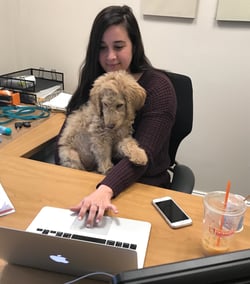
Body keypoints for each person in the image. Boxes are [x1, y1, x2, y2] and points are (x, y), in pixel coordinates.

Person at [55, 5, 177, 227]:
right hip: (91, 181)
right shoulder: (97, 82)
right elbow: (65, 137)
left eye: (118, 46)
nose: (110, 57)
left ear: (134, 45)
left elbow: (143, 154)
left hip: (141, 186)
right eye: (102, 48)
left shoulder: (159, 89)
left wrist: (105, 188)